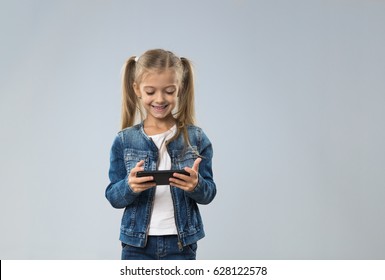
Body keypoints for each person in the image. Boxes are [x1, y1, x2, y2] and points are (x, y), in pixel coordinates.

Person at [105, 49, 216, 260]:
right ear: (137, 89)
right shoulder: (124, 140)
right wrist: (129, 187)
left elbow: (209, 193)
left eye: (168, 90)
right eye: (150, 92)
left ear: (180, 89)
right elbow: (113, 196)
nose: (159, 99)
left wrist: (196, 185)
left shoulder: (197, 138)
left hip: (182, 243)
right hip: (136, 244)